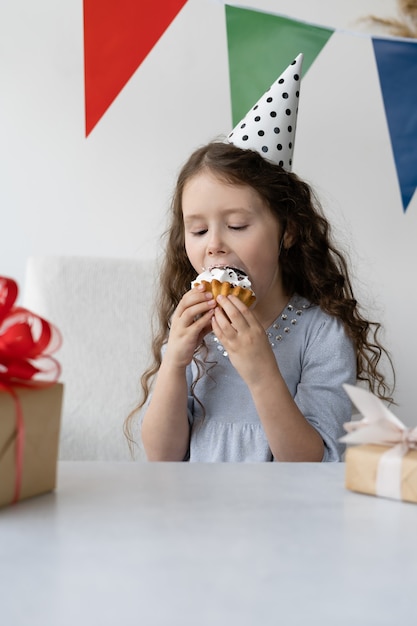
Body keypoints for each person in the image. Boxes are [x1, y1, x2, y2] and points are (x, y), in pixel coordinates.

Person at [125, 54, 394, 462]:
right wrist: (175, 359)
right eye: (197, 231)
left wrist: (261, 370)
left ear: (288, 230)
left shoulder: (321, 337)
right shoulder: (191, 332)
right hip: (196, 516)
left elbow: (309, 463)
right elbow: (161, 456)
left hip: (282, 520)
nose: (214, 245)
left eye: (236, 225)